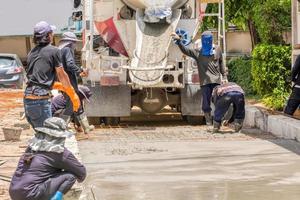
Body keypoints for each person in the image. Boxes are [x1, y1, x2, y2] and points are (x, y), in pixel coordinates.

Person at [9, 117, 86, 200]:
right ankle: (56, 198)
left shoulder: (32, 146)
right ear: (61, 136)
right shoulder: (61, 153)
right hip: (31, 194)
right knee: (70, 176)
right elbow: (81, 174)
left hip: (14, 191)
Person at [24, 21, 80, 128]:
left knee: (41, 135)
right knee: (48, 137)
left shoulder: (31, 53)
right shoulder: (54, 51)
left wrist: (59, 86)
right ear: (48, 35)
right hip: (40, 99)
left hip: (28, 98)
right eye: (51, 32)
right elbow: (62, 74)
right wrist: (73, 95)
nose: (53, 34)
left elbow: (38, 79)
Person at [172, 31, 227, 125]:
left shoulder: (217, 49)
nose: (207, 42)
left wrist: (224, 76)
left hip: (216, 81)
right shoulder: (198, 52)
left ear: (211, 40)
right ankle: (208, 120)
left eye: (208, 40)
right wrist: (179, 41)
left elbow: (221, 62)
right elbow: (185, 50)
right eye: (205, 40)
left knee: (218, 101)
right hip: (205, 82)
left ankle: (218, 120)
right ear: (202, 40)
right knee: (206, 103)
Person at [57, 32, 92, 132]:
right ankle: (61, 127)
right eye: (74, 42)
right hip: (69, 83)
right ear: (69, 42)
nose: (74, 45)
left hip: (62, 82)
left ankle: (85, 127)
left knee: (76, 102)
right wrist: (81, 70)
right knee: (72, 104)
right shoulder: (67, 49)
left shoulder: (60, 50)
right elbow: (70, 64)